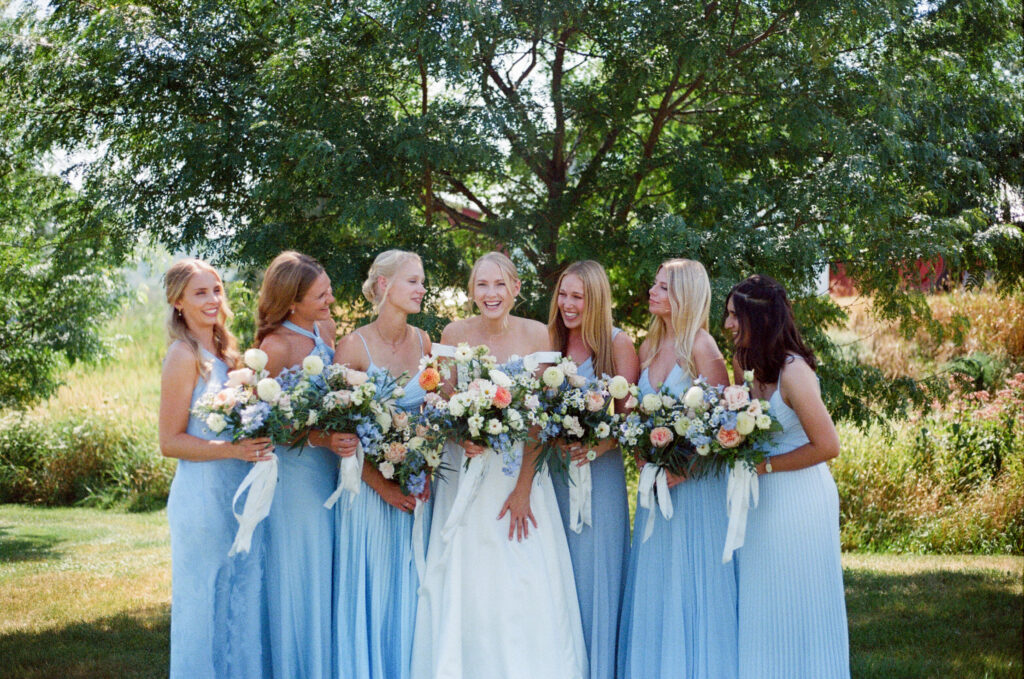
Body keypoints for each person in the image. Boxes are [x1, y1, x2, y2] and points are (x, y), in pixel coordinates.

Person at [412, 251, 588, 679]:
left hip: (521, 474)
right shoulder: (454, 331)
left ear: (515, 289)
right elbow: (443, 403)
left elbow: (541, 419)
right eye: (481, 285)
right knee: (470, 578)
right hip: (469, 473)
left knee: (524, 576)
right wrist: (462, 435)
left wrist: (524, 487)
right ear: (472, 291)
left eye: (499, 285)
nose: (490, 294)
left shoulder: (538, 334)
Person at [723, 274, 850, 679]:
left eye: (733, 316)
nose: (727, 325)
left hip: (799, 498)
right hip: (761, 500)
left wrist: (766, 467)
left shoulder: (794, 373)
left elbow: (828, 446)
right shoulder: (743, 363)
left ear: (757, 319)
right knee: (763, 597)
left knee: (801, 598)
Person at [617, 258, 737, 679]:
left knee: (693, 581)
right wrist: (641, 454)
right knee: (656, 582)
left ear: (685, 296)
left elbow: (728, 424)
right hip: (654, 485)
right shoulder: (647, 347)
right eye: (654, 284)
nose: (652, 292)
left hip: (695, 487)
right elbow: (634, 417)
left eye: (663, 287)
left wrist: (685, 468)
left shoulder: (702, 347)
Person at [159, 258, 269, 678]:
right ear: (179, 302)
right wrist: (234, 450)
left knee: (240, 602)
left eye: (217, 289)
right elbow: (170, 442)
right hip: (203, 499)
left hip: (240, 496)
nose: (212, 299)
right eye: (200, 292)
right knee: (204, 604)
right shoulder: (183, 356)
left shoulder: (229, 354)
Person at [332, 249, 433, 679]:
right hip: (370, 494)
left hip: (415, 493)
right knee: (371, 590)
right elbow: (339, 435)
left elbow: (436, 416)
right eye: (413, 280)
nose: (422, 289)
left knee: (412, 593)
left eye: (422, 281)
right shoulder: (352, 345)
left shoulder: (426, 342)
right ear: (385, 285)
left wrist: (424, 471)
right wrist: (383, 487)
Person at [546, 260, 639, 679]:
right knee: (554, 572)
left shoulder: (619, 346)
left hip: (598, 476)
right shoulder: (549, 342)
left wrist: (592, 447)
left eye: (577, 297)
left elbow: (631, 421)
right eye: (563, 294)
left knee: (596, 574)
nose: (567, 304)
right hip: (554, 477)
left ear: (596, 300)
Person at [256, 251, 342, 679]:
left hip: (331, 472)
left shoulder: (324, 331)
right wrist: (323, 436)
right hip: (296, 480)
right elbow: (265, 426)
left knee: (328, 575)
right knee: (300, 577)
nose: (330, 298)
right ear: (292, 301)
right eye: (320, 293)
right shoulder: (275, 347)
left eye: (328, 289)